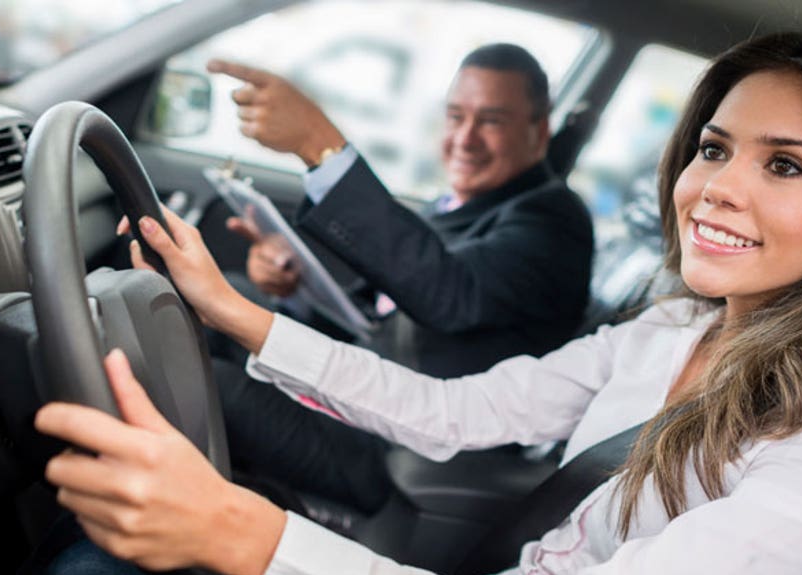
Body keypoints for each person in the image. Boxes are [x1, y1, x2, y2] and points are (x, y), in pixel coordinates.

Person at [37, 33, 802, 575]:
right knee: (88, 567)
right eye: (712, 149)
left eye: (784, 165)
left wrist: (243, 531)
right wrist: (233, 311)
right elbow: (455, 412)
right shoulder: (669, 331)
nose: (715, 189)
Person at [200, 43, 593, 513]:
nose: (464, 138)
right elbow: (372, 315)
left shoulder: (552, 221)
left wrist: (319, 146)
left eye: (490, 120)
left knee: (209, 382)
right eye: (455, 116)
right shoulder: (455, 206)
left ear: (539, 130)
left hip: (403, 443)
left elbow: (448, 293)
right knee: (219, 305)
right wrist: (295, 288)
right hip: (359, 383)